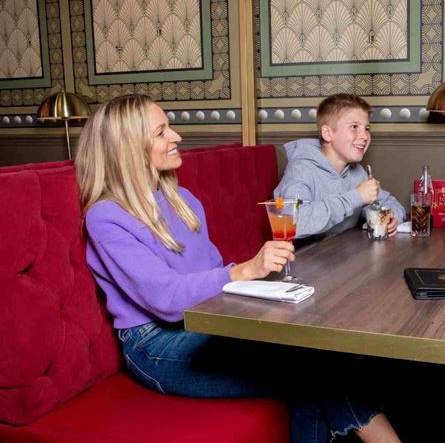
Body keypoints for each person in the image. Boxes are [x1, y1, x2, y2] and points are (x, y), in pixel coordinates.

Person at [74, 94, 401, 443]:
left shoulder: (183, 201)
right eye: (161, 132)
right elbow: (166, 299)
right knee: (313, 370)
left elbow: (212, 273)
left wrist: (258, 288)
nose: (177, 137)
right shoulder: (106, 216)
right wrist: (245, 271)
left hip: (209, 319)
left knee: (314, 361)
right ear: (129, 147)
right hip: (155, 345)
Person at [274, 93, 405, 240]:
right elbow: (294, 223)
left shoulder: (357, 172)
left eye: (367, 128)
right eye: (354, 127)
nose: (364, 136)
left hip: (343, 255)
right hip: (303, 259)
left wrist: (393, 217)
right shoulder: (301, 170)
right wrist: (356, 197)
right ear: (328, 133)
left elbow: (389, 202)